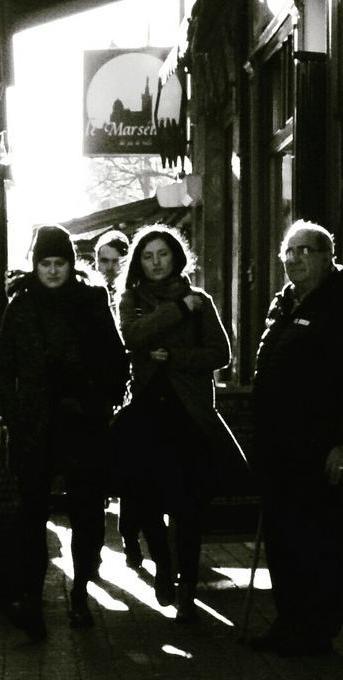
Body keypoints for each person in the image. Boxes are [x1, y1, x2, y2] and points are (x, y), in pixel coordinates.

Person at [0, 224, 128, 638]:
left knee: (86, 513)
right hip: (35, 425)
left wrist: (98, 404)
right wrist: (16, 415)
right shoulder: (21, 306)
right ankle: (31, 598)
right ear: (35, 265)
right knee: (30, 515)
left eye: (60, 263)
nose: (53, 271)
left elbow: (115, 359)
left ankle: (80, 594)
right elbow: (3, 369)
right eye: (45, 263)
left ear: (71, 264)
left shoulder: (91, 300)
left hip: (82, 423)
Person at [117, 224, 243, 623]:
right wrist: (177, 310)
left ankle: (187, 585)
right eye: (148, 256)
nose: (155, 263)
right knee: (146, 502)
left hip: (188, 417)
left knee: (188, 507)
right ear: (138, 261)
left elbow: (221, 353)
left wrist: (174, 357)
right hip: (146, 417)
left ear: (176, 257)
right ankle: (163, 567)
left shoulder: (200, 300)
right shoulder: (131, 299)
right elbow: (132, 336)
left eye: (163, 255)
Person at [250, 219, 343, 656]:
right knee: (283, 536)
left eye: (305, 251)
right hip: (278, 444)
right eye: (289, 252)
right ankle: (289, 620)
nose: (295, 260)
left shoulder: (338, 302)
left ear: (327, 257)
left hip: (319, 443)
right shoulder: (283, 302)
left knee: (318, 536)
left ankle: (318, 627)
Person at [93, 229, 143, 567]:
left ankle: (129, 535)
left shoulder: (134, 296)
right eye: (104, 260)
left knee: (130, 469)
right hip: (104, 394)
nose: (109, 268)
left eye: (116, 261)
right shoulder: (90, 295)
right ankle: (95, 546)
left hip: (131, 393)